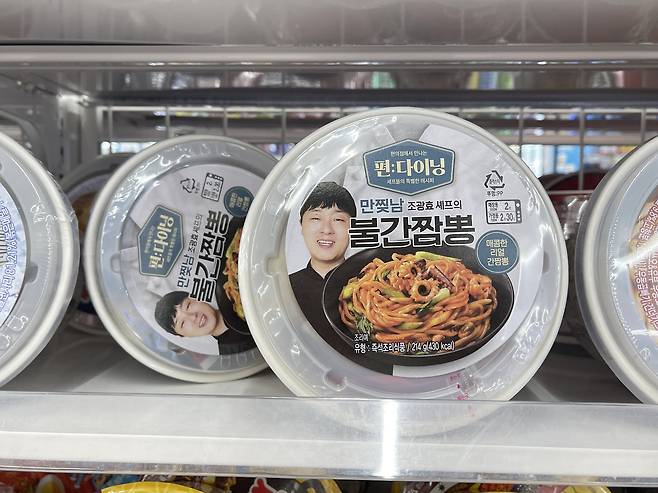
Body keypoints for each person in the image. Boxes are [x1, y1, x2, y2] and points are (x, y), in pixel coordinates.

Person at [154, 291, 253, 354]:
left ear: (196, 297)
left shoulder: (232, 288)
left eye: (188, 306)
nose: (193, 317)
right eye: (182, 323)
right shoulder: (232, 354)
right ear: (183, 335)